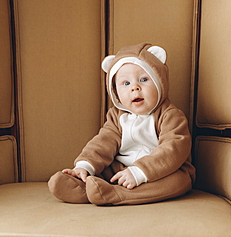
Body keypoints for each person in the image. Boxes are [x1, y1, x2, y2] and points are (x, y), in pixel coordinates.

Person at [48, 43, 195, 205]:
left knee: (178, 181)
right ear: (115, 91)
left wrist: (140, 172)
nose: (135, 88)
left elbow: (173, 149)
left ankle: (118, 195)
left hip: (158, 172)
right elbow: (103, 143)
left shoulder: (170, 115)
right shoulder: (117, 117)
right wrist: (85, 166)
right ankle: (83, 189)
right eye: (126, 83)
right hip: (121, 170)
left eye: (144, 79)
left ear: (160, 82)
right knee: (103, 171)